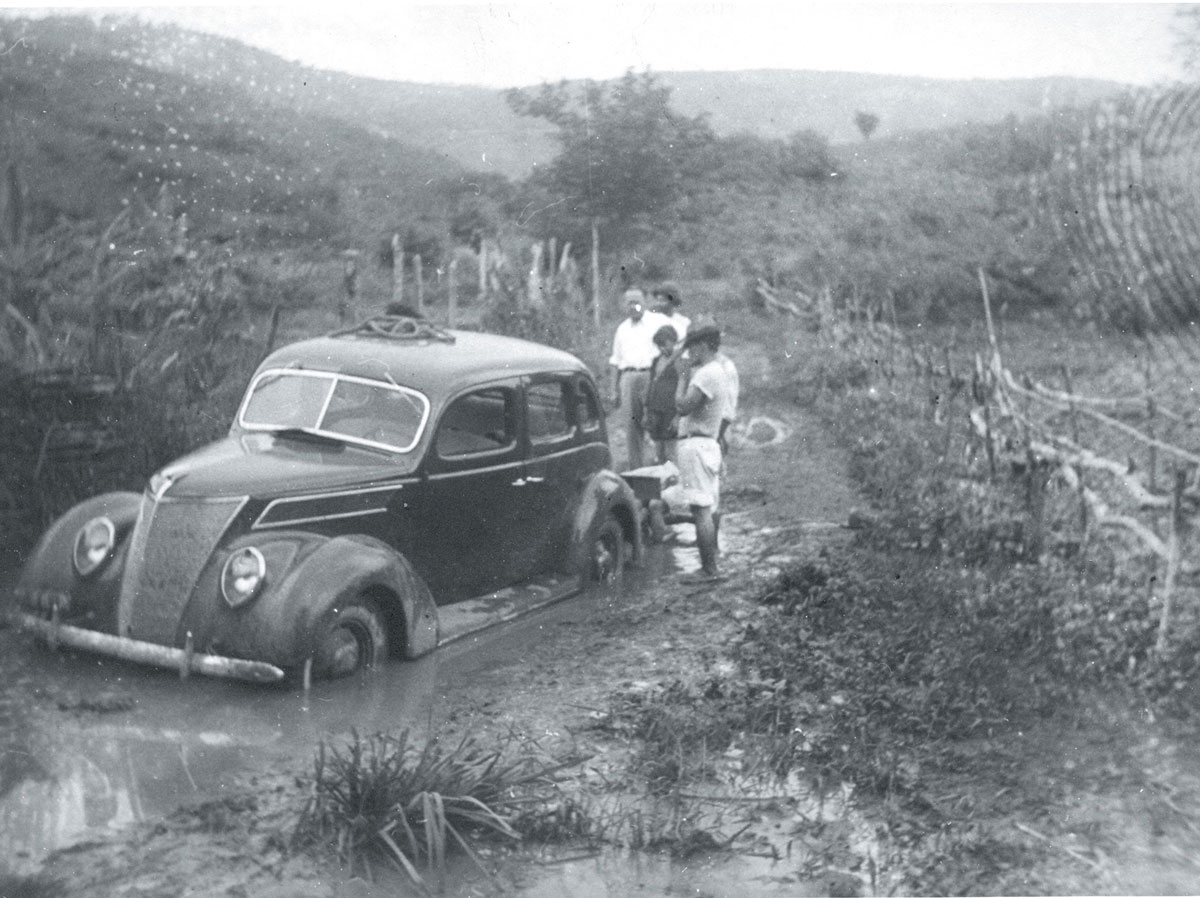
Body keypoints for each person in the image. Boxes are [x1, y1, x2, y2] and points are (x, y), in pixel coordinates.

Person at [672, 317, 737, 583]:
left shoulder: (707, 373)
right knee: (706, 508)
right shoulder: (716, 371)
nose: (690, 352)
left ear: (707, 346)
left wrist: (681, 378)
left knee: (700, 510)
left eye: (694, 345)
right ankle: (710, 566)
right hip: (705, 442)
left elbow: (683, 406)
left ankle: (708, 569)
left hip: (697, 443)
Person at [608, 288, 671, 470]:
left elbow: (675, 343)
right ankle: (638, 472)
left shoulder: (658, 322)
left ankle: (663, 470)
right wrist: (613, 390)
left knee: (656, 422)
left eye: (637, 301)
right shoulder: (622, 329)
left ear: (644, 302)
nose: (633, 306)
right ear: (624, 306)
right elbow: (615, 360)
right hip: (628, 377)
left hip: (651, 376)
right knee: (632, 428)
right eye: (629, 302)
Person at [643, 324, 681, 464]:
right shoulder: (656, 361)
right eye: (659, 345)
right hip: (655, 410)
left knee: (672, 451)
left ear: (673, 341)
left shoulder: (680, 361)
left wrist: (678, 416)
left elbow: (683, 389)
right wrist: (646, 410)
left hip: (671, 410)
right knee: (659, 452)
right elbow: (650, 385)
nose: (662, 348)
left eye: (664, 344)